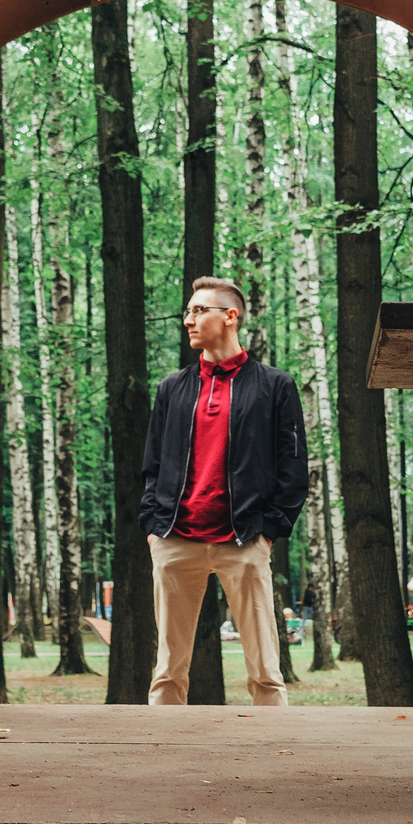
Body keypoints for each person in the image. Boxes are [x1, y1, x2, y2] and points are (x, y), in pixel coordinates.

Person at [137, 276, 309, 706]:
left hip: (243, 538)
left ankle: (275, 743)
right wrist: (153, 527)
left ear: (230, 316)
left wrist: (269, 530)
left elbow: (292, 466)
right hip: (176, 538)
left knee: (265, 670)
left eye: (199, 311)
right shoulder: (172, 388)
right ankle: (161, 744)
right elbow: (153, 464)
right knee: (167, 671)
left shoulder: (275, 386)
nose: (188, 320)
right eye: (188, 311)